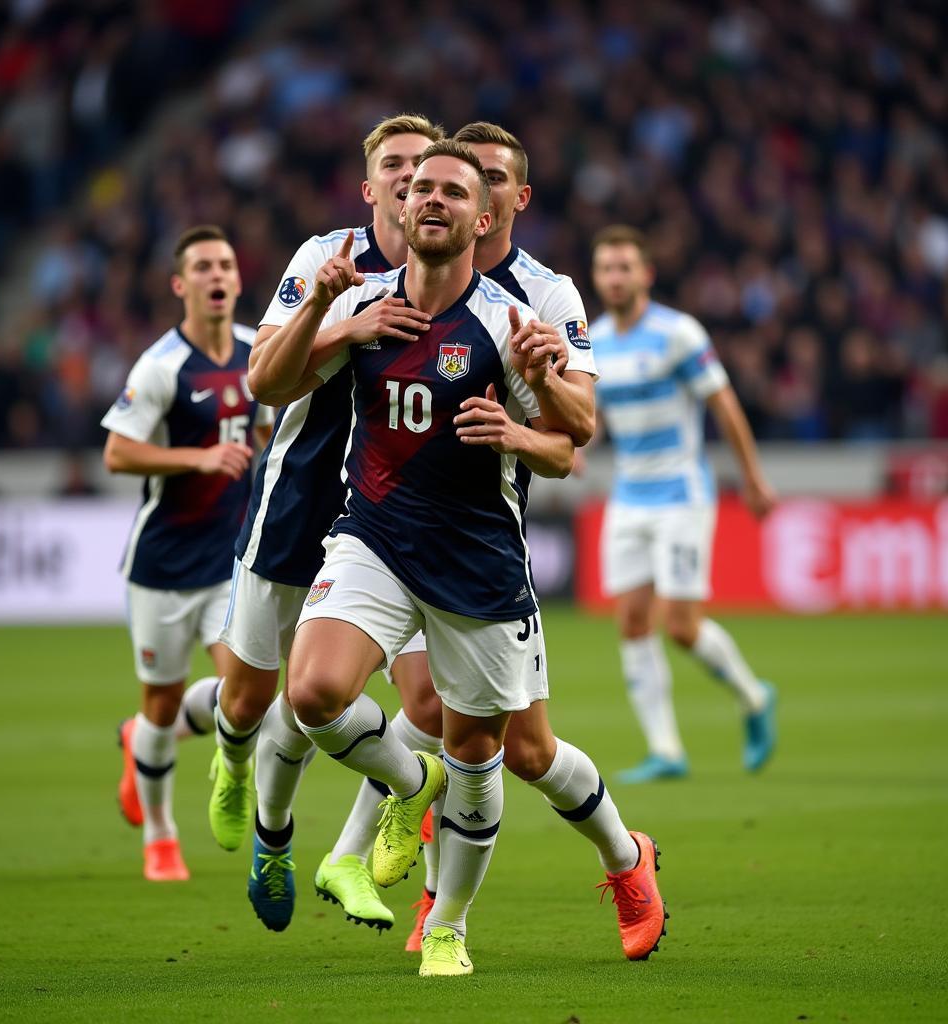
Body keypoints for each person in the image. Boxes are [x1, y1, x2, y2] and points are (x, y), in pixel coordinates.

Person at [252, 139, 661, 978]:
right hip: (372, 535)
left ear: (497, 209)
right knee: (316, 692)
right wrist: (329, 315)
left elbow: (573, 438)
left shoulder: (526, 307)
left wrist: (528, 409)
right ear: (396, 206)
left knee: (511, 753)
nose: (429, 198)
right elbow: (268, 384)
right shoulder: (364, 298)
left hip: (477, 554)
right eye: (420, 187)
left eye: (460, 188)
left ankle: (467, 918)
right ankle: (410, 790)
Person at [204, 115, 443, 928]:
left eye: (425, 164)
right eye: (395, 165)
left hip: (390, 520)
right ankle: (252, 794)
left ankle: (350, 853)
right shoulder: (325, 258)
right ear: (370, 185)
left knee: (430, 706)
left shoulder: (451, 273)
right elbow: (265, 378)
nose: (412, 177)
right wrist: (344, 319)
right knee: (250, 701)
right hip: (299, 503)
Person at [101, 224, 271, 881]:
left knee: (249, 691)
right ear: (181, 285)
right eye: (202, 266)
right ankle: (161, 835)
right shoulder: (161, 366)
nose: (217, 275)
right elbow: (118, 451)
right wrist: (198, 457)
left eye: (225, 263)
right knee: (161, 705)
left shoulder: (260, 351)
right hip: (163, 567)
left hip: (231, 559)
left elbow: (265, 428)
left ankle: (171, 767)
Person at [588, 224, 778, 783]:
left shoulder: (679, 334)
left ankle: (753, 696)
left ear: (646, 274)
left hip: (680, 494)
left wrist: (753, 478)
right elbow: (594, 422)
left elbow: (725, 407)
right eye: (606, 268)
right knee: (631, 622)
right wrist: (575, 449)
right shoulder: (594, 339)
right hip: (628, 497)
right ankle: (666, 749)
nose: (615, 278)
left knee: (681, 626)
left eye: (625, 267)